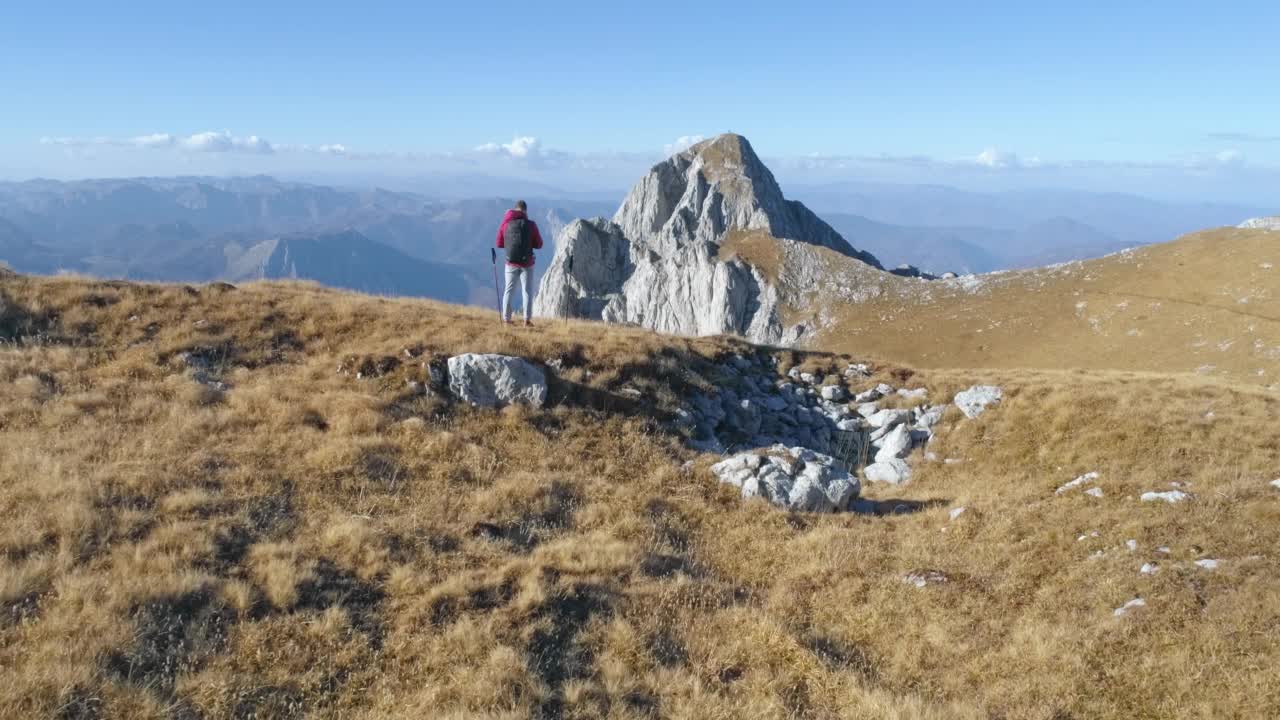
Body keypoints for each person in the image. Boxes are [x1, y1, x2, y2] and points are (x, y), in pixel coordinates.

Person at [495, 200, 543, 326]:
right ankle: (526, 320)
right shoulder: (531, 225)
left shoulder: (506, 224)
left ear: (514, 209)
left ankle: (506, 319)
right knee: (527, 291)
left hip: (510, 263)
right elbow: (539, 244)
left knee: (508, 290)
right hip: (527, 264)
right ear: (525, 211)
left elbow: (499, 243)